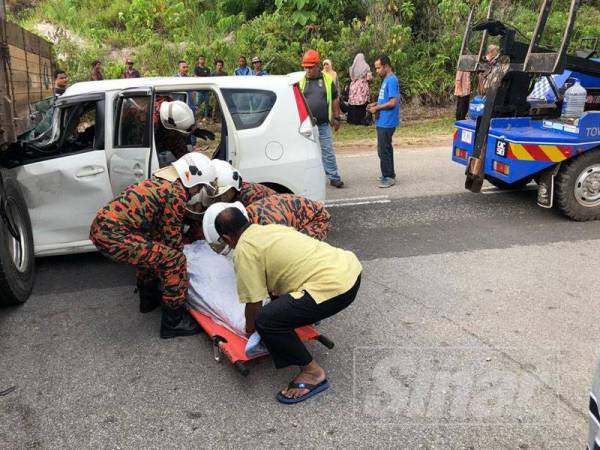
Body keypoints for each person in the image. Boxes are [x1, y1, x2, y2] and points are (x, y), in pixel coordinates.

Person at [206, 207, 362, 404]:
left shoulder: (244, 250)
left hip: (336, 288)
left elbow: (254, 303)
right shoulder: (271, 229)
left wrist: (249, 329)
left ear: (227, 238)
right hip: (350, 269)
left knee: (266, 320)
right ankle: (305, 317)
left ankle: (313, 373)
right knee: (277, 303)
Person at [89, 153, 216, 339]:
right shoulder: (176, 194)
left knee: (153, 250)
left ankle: (148, 301)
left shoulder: (161, 180)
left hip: (103, 229)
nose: (198, 192)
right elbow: (172, 242)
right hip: (113, 235)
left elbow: (158, 231)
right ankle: (173, 323)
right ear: (192, 180)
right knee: (174, 260)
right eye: (200, 186)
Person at [300, 49, 344, 188]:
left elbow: (335, 98)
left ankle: (333, 177)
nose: (308, 69)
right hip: (307, 126)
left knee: (328, 151)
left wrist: (336, 117)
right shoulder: (301, 80)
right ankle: (309, 180)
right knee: (307, 153)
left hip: (324, 124)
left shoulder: (326, 79)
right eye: (305, 67)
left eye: (310, 67)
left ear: (317, 65)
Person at [368, 55, 400, 188]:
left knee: (383, 150)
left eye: (378, 68)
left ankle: (388, 177)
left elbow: (393, 102)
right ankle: (389, 173)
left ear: (386, 66)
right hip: (383, 120)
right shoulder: (386, 79)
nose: (377, 71)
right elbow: (386, 99)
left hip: (387, 121)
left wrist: (377, 108)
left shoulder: (391, 80)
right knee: (386, 148)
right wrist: (376, 103)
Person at [245, 194, 331, 241]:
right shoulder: (245, 213)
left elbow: (284, 245)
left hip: (318, 219)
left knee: (296, 248)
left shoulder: (270, 225)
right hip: (298, 217)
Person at [209, 159, 277, 206]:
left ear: (234, 187)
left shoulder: (252, 196)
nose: (221, 198)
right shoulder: (227, 195)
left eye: (224, 193)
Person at [348, 53, 373, 125]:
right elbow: (369, 78)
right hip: (362, 86)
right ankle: (362, 120)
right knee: (362, 103)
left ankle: (353, 120)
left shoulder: (352, 67)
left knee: (353, 103)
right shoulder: (366, 67)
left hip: (353, 86)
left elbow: (351, 77)